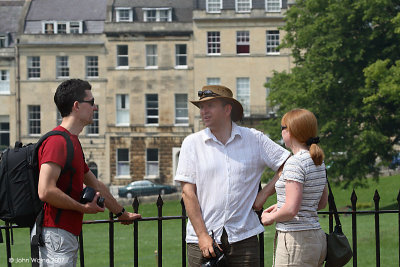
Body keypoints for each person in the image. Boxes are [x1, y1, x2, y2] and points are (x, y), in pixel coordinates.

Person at [174, 85, 290, 266]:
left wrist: (264, 194)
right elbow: (188, 193)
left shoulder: (254, 139)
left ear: (227, 109)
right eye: (201, 107)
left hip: (244, 238)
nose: (204, 111)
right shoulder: (192, 143)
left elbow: (288, 164)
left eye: (210, 105)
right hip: (203, 240)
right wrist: (202, 235)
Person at [31, 79, 141, 266]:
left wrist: (121, 213)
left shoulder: (72, 142)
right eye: (91, 102)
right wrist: (83, 208)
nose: (95, 107)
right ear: (76, 106)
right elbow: (46, 190)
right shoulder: (57, 142)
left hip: (64, 235)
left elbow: (95, 185)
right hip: (55, 235)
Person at [259, 108, 328, 267]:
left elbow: (291, 210)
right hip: (316, 238)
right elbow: (321, 202)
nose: (281, 131)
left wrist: (270, 217)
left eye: (283, 127)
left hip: (296, 240)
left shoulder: (294, 163)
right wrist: (281, 205)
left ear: (290, 132)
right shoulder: (317, 160)